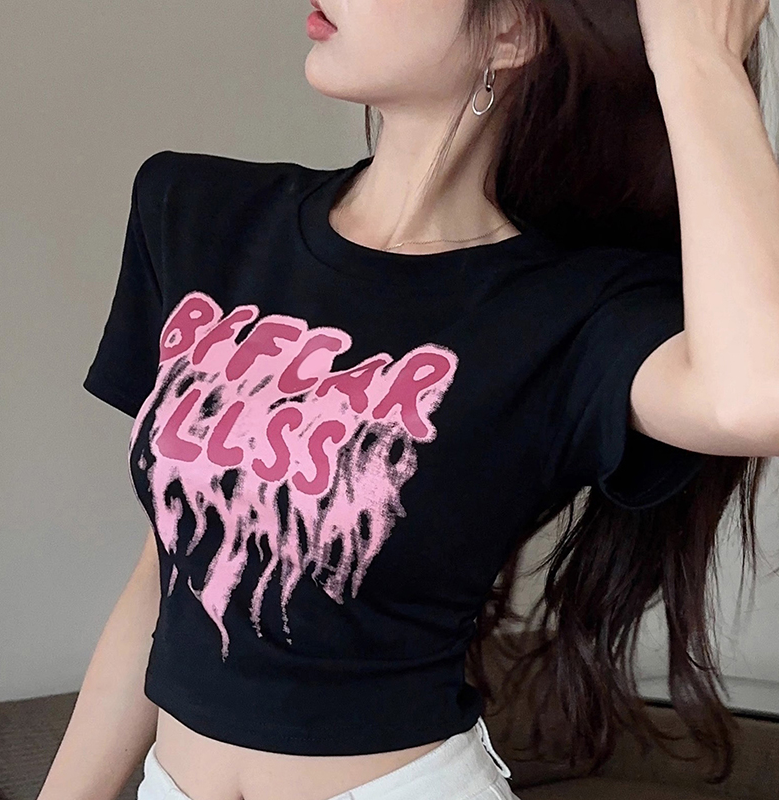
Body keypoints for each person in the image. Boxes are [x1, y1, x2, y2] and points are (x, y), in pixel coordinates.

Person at [40, 1, 779, 799]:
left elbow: (755, 400)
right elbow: (164, 576)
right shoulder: (197, 213)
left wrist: (697, 60)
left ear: (513, 30)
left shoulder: (571, 311)